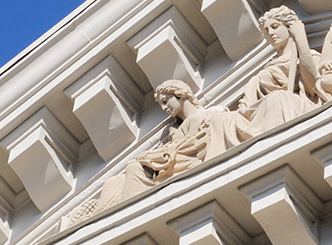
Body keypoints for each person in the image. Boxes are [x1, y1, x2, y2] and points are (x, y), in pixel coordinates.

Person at [61, 80, 249, 228]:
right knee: (114, 181)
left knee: (134, 168)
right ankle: (99, 220)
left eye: (166, 101)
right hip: (174, 162)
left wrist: (165, 152)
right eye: (161, 105)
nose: (165, 108)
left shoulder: (210, 113)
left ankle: (125, 218)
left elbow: (203, 140)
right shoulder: (177, 130)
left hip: (189, 160)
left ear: (180, 94)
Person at [238, 6, 323, 131]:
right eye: (267, 31)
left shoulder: (308, 57)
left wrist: (300, 38)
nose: (271, 33)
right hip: (270, 112)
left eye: (275, 26)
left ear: (288, 28)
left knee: (275, 98)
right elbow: (246, 105)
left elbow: (314, 87)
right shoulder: (266, 70)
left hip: (299, 107)